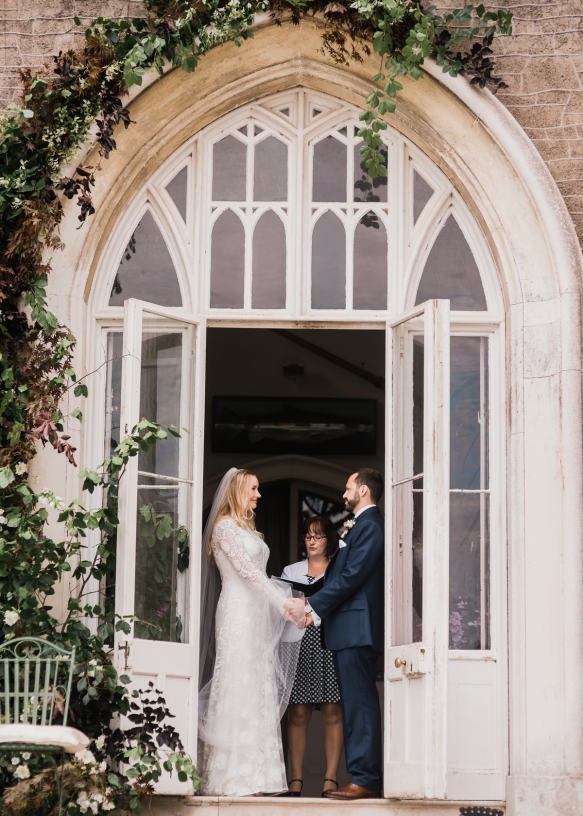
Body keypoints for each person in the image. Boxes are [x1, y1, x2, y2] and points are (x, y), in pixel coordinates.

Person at [198, 468, 306, 797]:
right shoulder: (224, 528)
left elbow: (262, 575)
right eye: (253, 489)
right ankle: (232, 779)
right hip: (238, 613)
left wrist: (286, 601)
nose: (259, 495)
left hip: (257, 613)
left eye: (258, 490)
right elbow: (247, 573)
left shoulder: (247, 529)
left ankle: (260, 778)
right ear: (237, 490)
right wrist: (283, 603)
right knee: (238, 681)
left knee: (258, 684)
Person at [306, 468, 385, 800]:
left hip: (357, 629)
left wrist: (312, 607)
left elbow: (352, 576)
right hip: (349, 630)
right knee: (354, 703)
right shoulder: (361, 526)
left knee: (360, 705)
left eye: (348, 488)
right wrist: (308, 599)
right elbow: (342, 574)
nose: (343, 494)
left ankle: (365, 777)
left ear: (363, 490)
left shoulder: (370, 526)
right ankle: (362, 774)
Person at [280, 516, 343, 798]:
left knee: (332, 710)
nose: (313, 542)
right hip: (299, 642)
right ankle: (295, 780)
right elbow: (282, 609)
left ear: (328, 539)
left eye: (318, 536)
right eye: (308, 536)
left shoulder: (339, 568)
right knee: (298, 711)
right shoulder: (291, 571)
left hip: (330, 640)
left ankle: (331, 778)